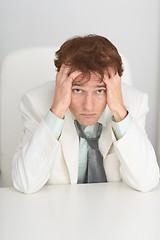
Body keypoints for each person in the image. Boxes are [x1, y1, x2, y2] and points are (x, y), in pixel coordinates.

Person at [12, 34, 159, 194]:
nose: (88, 106)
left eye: (99, 90)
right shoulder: (36, 103)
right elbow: (25, 184)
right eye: (78, 90)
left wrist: (119, 111)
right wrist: (57, 111)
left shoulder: (135, 103)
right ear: (61, 83)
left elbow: (146, 182)